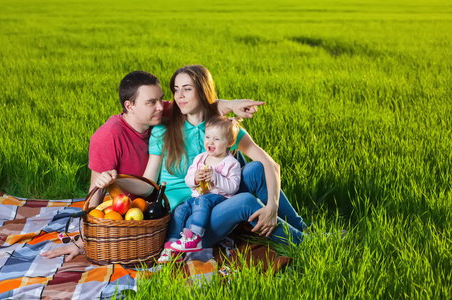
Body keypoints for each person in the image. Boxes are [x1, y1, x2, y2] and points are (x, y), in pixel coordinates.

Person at [41, 70, 264, 262]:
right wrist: (82, 243)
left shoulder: (158, 116)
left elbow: (200, 102)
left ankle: (282, 224)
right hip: (138, 208)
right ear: (129, 106)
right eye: (151, 102)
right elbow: (95, 194)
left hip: (186, 197)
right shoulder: (107, 137)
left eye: (161, 99)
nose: (161, 107)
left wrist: (232, 105)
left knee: (244, 164)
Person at [97, 65, 309, 263]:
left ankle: (303, 230)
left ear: (202, 91)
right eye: (176, 90)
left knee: (255, 169)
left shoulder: (220, 129)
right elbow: (147, 185)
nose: (179, 96)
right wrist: (117, 179)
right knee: (245, 201)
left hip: (220, 198)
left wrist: (272, 207)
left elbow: (270, 165)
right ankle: (309, 245)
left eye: (187, 89)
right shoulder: (163, 131)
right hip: (190, 220)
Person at [170, 116, 243, 252]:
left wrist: (216, 177)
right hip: (197, 199)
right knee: (179, 210)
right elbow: (188, 180)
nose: (210, 142)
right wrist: (195, 179)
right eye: (208, 137)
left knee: (202, 200)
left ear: (230, 142)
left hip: (220, 200)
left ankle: (195, 236)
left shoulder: (231, 163)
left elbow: (233, 188)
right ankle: (172, 243)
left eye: (216, 139)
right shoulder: (200, 159)